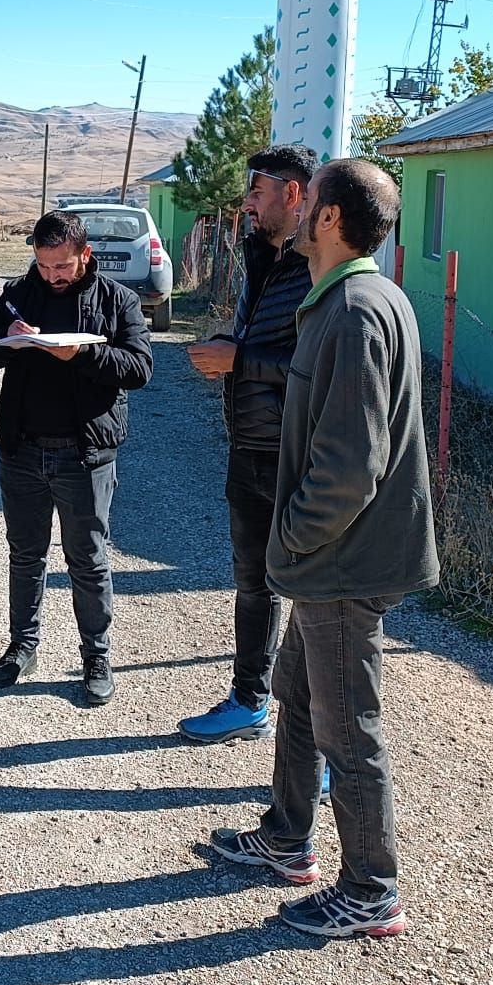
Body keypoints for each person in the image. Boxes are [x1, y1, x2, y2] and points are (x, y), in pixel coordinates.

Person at [212, 159, 438, 940]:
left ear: (332, 220)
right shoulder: (346, 299)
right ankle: (285, 836)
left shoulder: (355, 312)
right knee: (298, 696)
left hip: (343, 564)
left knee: (349, 726)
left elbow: (350, 468)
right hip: (331, 562)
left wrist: (289, 541)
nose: (298, 210)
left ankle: (372, 890)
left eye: (313, 203)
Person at [0, 209, 153, 706]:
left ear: (84, 255)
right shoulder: (19, 293)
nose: (52, 276)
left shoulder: (118, 301)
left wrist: (82, 355)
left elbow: (138, 368)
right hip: (22, 451)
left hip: (85, 454)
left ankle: (96, 656)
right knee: (25, 555)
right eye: (44, 264)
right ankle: (21, 648)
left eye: (62, 266)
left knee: (88, 561)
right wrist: (13, 339)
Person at [180, 145, 318, 744]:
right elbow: (263, 344)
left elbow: (320, 365)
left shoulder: (320, 267)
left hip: (298, 454)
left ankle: (319, 742)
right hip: (250, 447)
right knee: (254, 585)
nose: (247, 205)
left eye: (257, 193)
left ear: (293, 194)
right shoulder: (263, 259)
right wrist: (230, 354)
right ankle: (249, 700)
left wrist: (242, 360)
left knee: (315, 600)